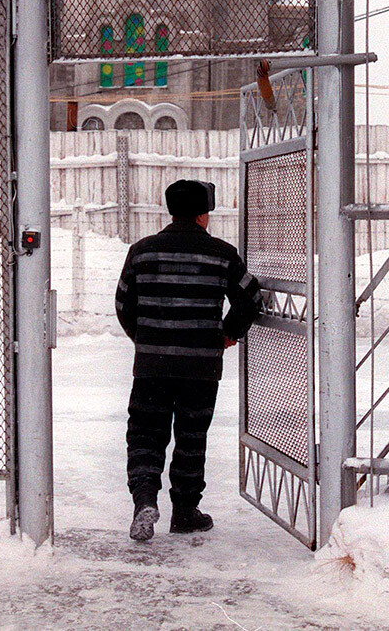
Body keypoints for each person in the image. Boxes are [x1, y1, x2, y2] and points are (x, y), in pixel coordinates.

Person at [115, 179, 263, 541]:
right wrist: (226, 334)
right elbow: (251, 300)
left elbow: (123, 304)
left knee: (146, 435)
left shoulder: (142, 252)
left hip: (152, 366)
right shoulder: (222, 254)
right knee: (191, 436)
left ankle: (145, 499)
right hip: (201, 366)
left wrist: (148, 339)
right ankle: (184, 510)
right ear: (203, 215)